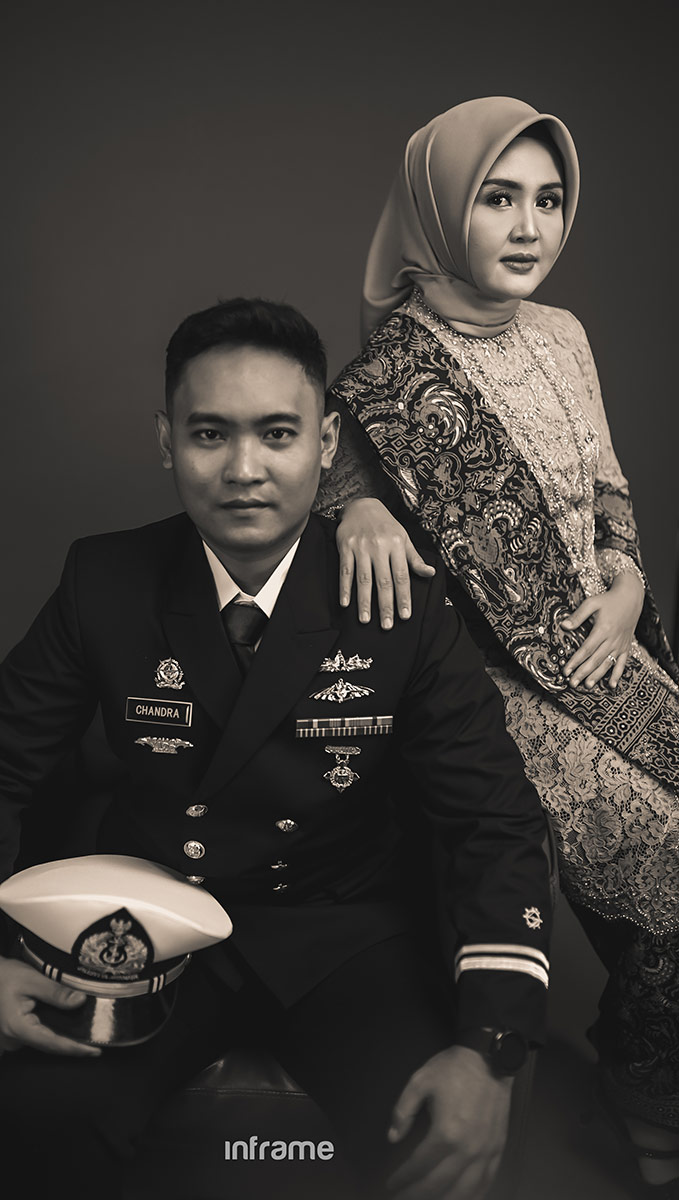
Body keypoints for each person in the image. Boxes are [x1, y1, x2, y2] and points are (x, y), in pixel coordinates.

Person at [0, 297, 553, 1200]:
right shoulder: (104, 581)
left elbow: (491, 817)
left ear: (326, 443)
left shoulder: (403, 602)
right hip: (152, 928)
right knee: (42, 1115)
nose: (244, 469)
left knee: (430, 1135)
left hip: (344, 932)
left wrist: (490, 1046)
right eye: (210, 434)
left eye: (277, 433)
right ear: (166, 441)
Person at [316, 96, 679, 1192]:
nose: (530, 228)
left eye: (549, 199)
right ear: (437, 211)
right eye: (497, 199)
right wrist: (353, 508)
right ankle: (646, 1095)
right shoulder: (388, 377)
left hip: (614, 651)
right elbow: (320, 473)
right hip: (502, 693)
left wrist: (629, 582)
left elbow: (607, 486)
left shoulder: (562, 333)